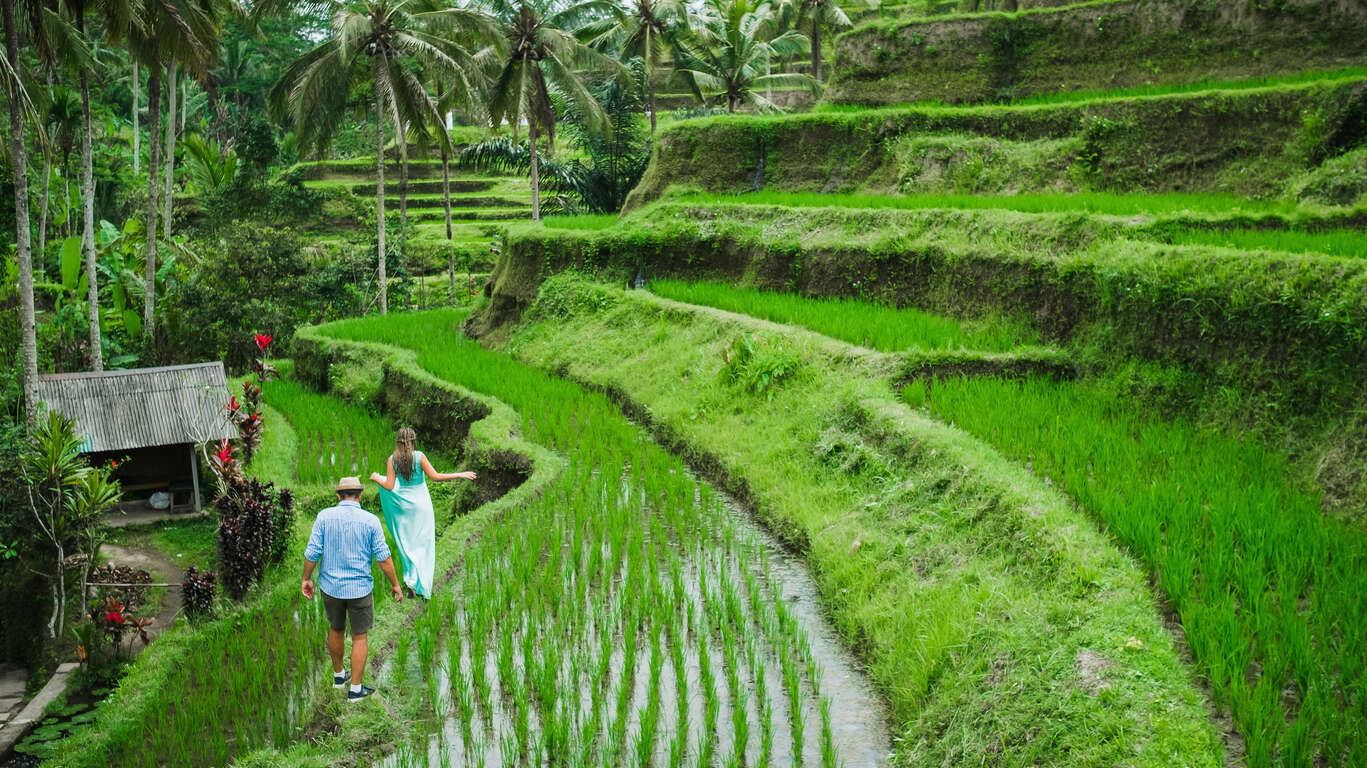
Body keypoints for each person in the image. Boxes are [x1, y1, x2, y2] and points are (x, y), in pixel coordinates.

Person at [301, 476, 403, 701]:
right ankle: (355, 689)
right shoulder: (370, 520)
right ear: (360, 495)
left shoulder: (324, 517)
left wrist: (306, 579)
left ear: (338, 496)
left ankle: (339, 677)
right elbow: (384, 558)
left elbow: (312, 552)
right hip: (359, 589)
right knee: (359, 637)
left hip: (331, 587)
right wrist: (395, 584)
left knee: (336, 628)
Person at [369, 427, 476, 599]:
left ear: (398, 441)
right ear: (413, 440)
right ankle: (421, 582)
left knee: (406, 541)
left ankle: (410, 581)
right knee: (423, 542)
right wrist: (460, 474)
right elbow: (436, 477)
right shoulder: (419, 457)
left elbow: (389, 486)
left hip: (403, 505)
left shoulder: (392, 459)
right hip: (420, 504)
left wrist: (376, 478)